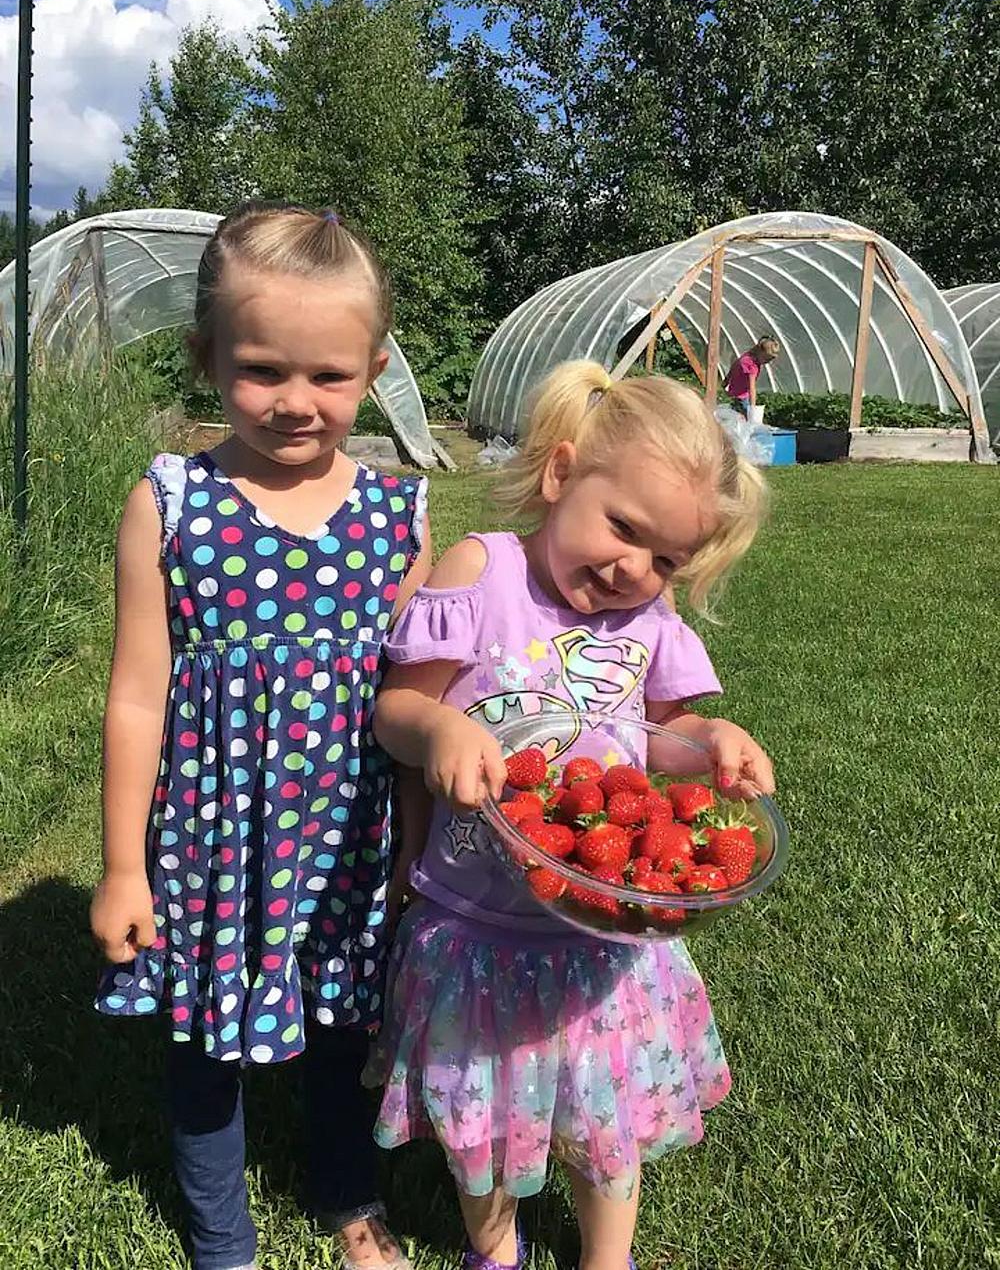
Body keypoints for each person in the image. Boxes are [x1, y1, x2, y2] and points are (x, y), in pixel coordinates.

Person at [368, 362, 775, 1270]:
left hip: (603, 925)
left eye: (664, 557)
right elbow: (396, 708)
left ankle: (605, 1255)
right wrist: (436, 724)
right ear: (560, 475)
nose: (634, 567)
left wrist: (712, 737)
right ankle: (496, 1245)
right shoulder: (485, 569)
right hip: (477, 916)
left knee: (606, 1109)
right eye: (623, 528)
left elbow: (659, 737)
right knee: (482, 1109)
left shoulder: (651, 618)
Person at [90, 203, 432, 1270]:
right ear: (205, 357)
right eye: (261, 369)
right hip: (210, 842)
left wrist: (418, 849)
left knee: (343, 1029)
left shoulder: (399, 516)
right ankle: (221, 1238)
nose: (295, 402)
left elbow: (413, 698)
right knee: (203, 1045)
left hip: (346, 841)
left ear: (372, 369)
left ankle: (345, 1193)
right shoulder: (173, 501)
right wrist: (119, 868)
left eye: (328, 375)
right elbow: (136, 697)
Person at [724, 335, 780, 418]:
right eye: (766, 359)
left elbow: (733, 367)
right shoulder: (752, 365)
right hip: (741, 400)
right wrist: (753, 409)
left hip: (733, 395)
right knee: (746, 423)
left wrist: (725, 383)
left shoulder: (746, 356)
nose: (767, 362)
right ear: (760, 351)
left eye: (770, 360)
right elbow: (752, 387)